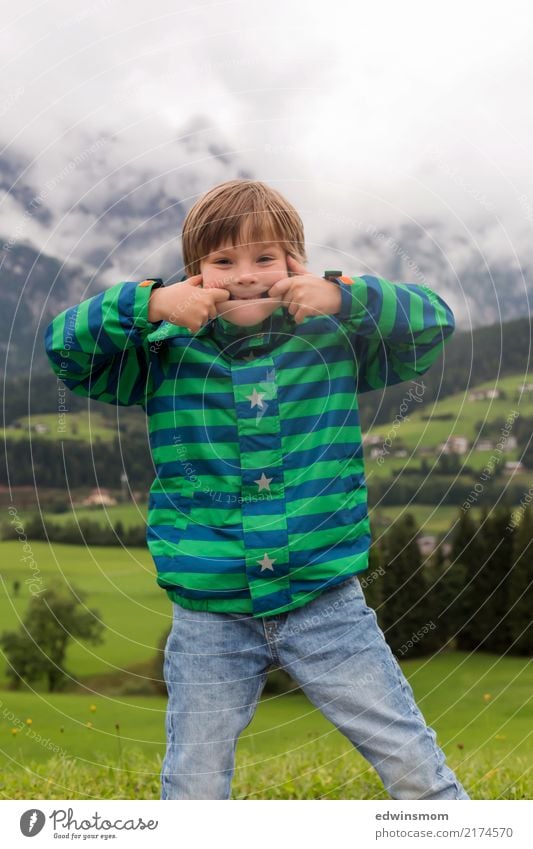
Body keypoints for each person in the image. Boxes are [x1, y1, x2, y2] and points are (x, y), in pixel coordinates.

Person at [44, 178, 470, 801]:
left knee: (410, 760)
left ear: (294, 264)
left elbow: (432, 325)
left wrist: (345, 295)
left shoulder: (336, 340)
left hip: (326, 601)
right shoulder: (164, 352)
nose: (245, 276)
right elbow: (65, 350)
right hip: (208, 612)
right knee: (193, 781)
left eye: (265, 259)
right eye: (223, 261)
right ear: (195, 274)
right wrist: (152, 306)